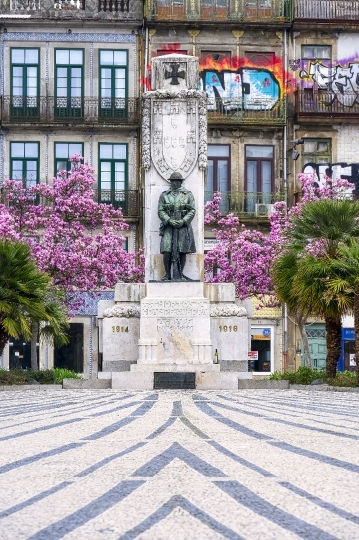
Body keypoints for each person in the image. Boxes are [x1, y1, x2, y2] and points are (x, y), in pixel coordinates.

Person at [158, 172, 196, 281]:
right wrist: (169, 220)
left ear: (180, 182)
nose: (174, 183)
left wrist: (183, 221)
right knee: (166, 249)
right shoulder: (164, 195)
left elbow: (192, 210)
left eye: (176, 181)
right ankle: (167, 274)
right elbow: (160, 211)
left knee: (182, 249)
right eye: (172, 181)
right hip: (168, 226)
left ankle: (179, 273)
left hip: (183, 226)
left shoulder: (188, 194)